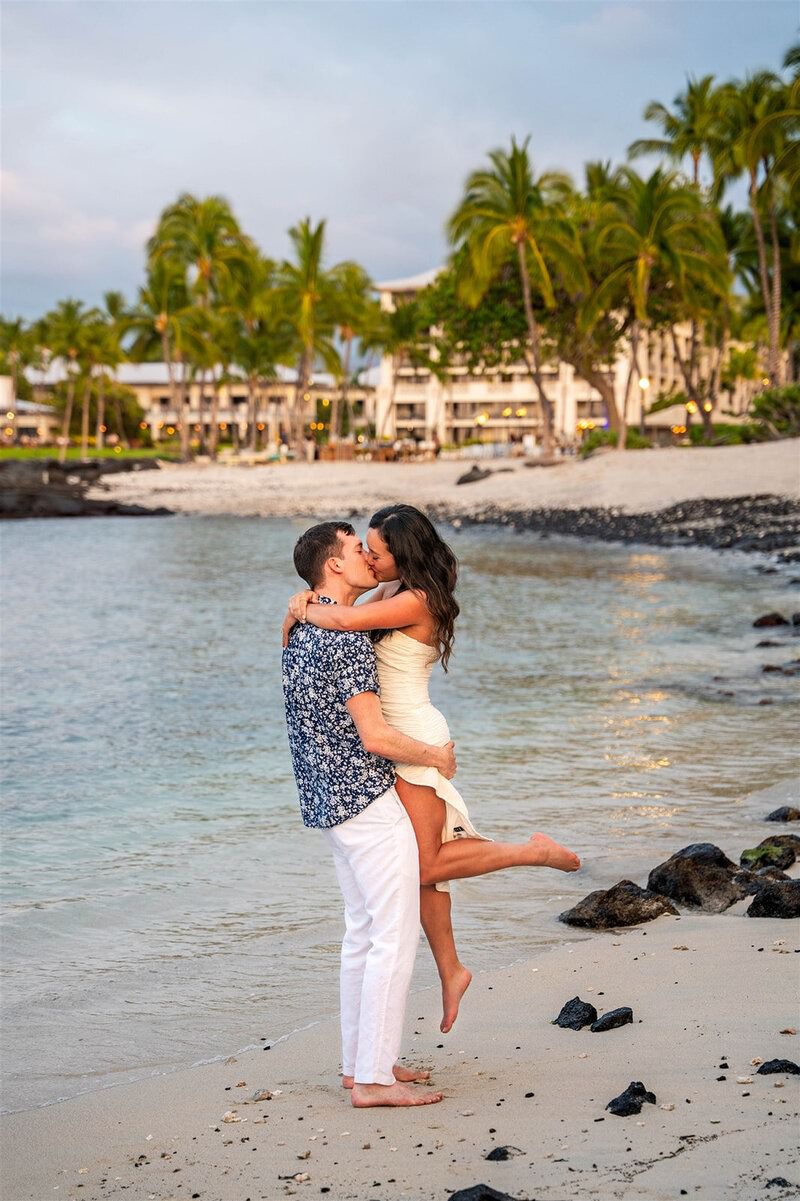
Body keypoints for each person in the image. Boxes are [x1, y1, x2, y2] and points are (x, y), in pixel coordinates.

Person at [283, 504, 581, 1036]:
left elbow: (344, 620)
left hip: (413, 740)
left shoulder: (415, 599)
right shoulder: (392, 593)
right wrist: (309, 600)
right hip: (391, 742)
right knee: (417, 865)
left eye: (376, 552)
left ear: (403, 554)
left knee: (422, 867)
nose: (370, 561)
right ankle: (451, 969)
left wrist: (301, 605)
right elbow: (346, 612)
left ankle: (532, 851)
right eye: (364, 551)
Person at [282, 520, 455, 1108]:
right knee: (392, 938)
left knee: (361, 935)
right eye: (357, 549)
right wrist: (436, 756)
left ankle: (362, 1066)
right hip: (366, 801)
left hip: (327, 804)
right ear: (333, 565)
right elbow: (376, 736)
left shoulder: (302, 631)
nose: (367, 557)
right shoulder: (345, 638)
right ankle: (374, 1081)